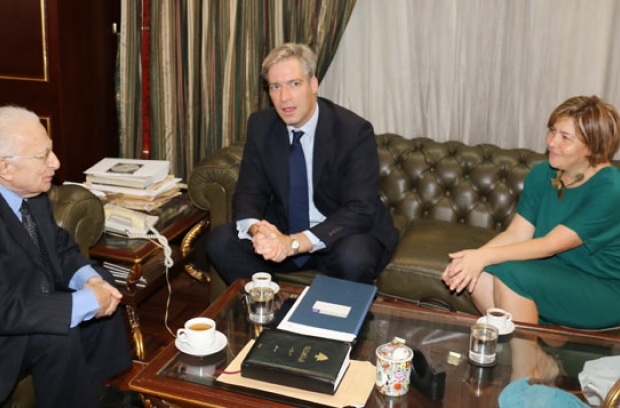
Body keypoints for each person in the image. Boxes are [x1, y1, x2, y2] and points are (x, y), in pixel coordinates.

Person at [206, 42, 398, 285]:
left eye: (294, 84)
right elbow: (249, 193)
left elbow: (360, 209)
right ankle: (274, 304)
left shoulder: (353, 131)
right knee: (220, 241)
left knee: (353, 257)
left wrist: (294, 243)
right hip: (285, 231)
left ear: (313, 84)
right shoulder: (261, 125)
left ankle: (335, 310)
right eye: (275, 87)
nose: (284, 97)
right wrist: (259, 232)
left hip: (340, 234)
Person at [442, 95, 620, 329]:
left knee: (510, 274)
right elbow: (517, 233)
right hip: (554, 273)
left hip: (603, 287)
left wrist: (482, 257)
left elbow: (550, 245)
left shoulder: (611, 189)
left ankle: (527, 352)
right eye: (552, 131)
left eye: (565, 137)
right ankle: (532, 347)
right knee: (480, 275)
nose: (552, 142)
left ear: (593, 147)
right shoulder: (543, 173)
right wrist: (472, 260)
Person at [0, 106, 134, 407]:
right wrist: (83, 303)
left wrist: (92, 283)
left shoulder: (32, 196)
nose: (56, 163)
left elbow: (60, 248)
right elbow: (5, 310)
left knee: (103, 280)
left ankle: (100, 389)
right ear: (4, 167)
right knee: (59, 330)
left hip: (28, 296)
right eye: (42, 156)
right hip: (6, 324)